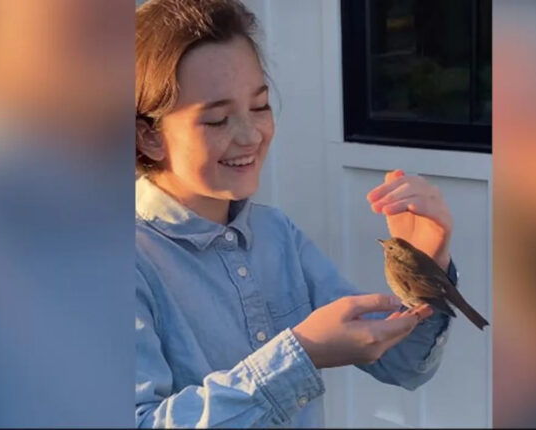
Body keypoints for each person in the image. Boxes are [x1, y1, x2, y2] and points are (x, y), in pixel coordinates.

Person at [135, 0, 455, 427]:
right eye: (217, 119)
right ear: (149, 136)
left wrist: (427, 264)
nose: (250, 135)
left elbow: (403, 365)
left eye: (261, 106)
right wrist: (300, 355)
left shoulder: (276, 234)